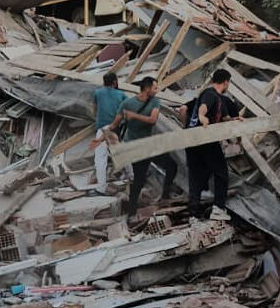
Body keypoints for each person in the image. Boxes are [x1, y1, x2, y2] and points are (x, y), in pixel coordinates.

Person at [114, 77, 177, 218]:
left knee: (172, 166)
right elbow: (115, 124)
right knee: (139, 180)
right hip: (137, 146)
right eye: (155, 88)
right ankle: (131, 212)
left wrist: (133, 116)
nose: (157, 90)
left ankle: (164, 197)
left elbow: (153, 120)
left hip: (149, 145)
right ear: (147, 89)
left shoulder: (154, 101)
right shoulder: (128, 103)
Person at [185, 69, 241, 221]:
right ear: (226, 82)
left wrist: (234, 120)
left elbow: (222, 118)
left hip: (194, 141)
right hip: (204, 138)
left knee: (196, 176)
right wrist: (202, 117)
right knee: (221, 172)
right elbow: (203, 107)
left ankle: (194, 215)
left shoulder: (219, 100)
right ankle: (218, 208)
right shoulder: (210, 94)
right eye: (228, 83)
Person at [89, 73, 128, 191]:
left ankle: (101, 187)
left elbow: (94, 110)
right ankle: (132, 176)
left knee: (100, 157)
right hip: (115, 127)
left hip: (102, 128)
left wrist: (98, 119)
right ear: (115, 82)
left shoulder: (97, 93)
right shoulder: (121, 94)